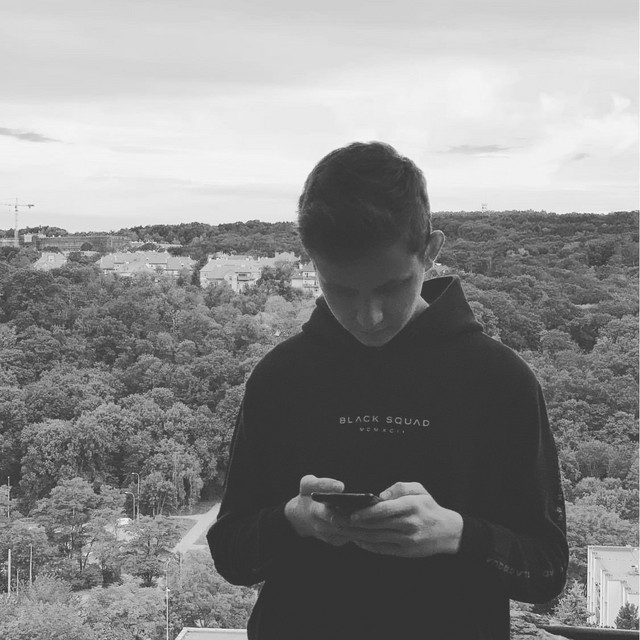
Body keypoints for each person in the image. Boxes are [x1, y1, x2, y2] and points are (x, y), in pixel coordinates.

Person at [208, 141, 568, 639]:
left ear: (432, 250)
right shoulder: (281, 376)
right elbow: (231, 556)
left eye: (390, 287)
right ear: (313, 264)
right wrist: (294, 519)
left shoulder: (500, 381)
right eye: (340, 289)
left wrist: (458, 535)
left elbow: (547, 570)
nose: (368, 317)